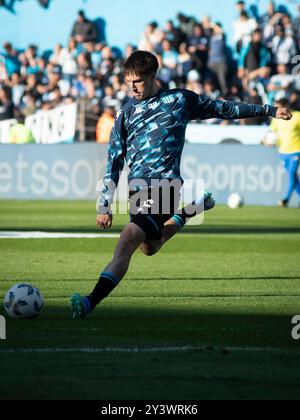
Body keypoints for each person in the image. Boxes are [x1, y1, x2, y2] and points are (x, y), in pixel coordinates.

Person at [70, 50, 292, 319]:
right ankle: (191, 210)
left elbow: (224, 108)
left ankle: (89, 301)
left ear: (152, 76)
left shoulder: (178, 100)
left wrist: (269, 110)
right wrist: (104, 203)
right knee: (150, 247)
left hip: (164, 186)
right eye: (128, 81)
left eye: (137, 81)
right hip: (137, 188)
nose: (132, 87)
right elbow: (113, 161)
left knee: (128, 238)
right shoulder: (124, 114)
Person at [267, 98, 300, 207]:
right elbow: (272, 132)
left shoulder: (297, 116)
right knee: (293, 177)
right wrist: (266, 140)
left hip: (296, 150)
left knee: (291, 174)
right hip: (282, 151)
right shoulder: (276, 118)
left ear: (286, 105)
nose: (278, 108)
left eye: (280, 105)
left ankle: (285, 199)